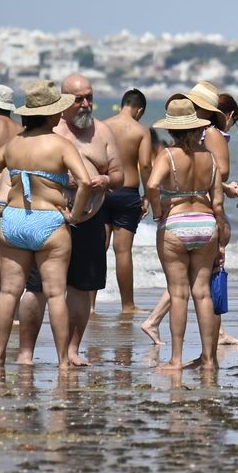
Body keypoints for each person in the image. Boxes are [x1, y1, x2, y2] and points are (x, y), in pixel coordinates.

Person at [0, 82, 99, 367]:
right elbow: (86, 183)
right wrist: (75, 216)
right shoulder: (60, 144)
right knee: (55, 294)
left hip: (14, 219)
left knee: (9, 293)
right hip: (50, 222)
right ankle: (62, 362)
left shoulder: (14, 143)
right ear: (51, 114)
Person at [17, 74, 120, 364]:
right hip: (49, 218)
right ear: (63, 103)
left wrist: (103, 179)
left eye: (90, 96)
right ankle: (27, 352)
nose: (86, 104)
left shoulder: (103, 133)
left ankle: (72, 350)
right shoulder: (49, 131)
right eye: (79, 99)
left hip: (89, 218)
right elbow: (22, 170)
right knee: (36, 287)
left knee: (81, 287)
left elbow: (121, 175)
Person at [144, 98, 223, 373]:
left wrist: (158, 211)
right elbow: (219, 203)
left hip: (176, 223)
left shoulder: (167, 155)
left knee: (179, 295)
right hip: (206, 222)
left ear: (171, 130)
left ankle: (176, 359)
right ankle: (210, 359)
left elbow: (153, 185)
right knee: (203, 294)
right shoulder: (210, 158)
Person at [104, 89, 153, 316]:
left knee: (97, 249)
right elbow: (145, 166)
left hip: (102, 191)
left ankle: (91, 305)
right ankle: (127, 305)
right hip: (127, 193)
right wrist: (149, 197)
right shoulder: (141, 131)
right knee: (122, 251)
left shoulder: (102, 126)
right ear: (139, 110)